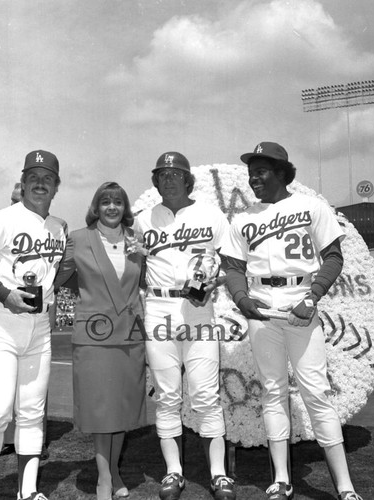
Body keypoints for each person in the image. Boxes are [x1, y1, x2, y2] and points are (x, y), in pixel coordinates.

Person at [221, 141, 363, 500]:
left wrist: (312, 297)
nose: (254, 178)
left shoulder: (311, 207)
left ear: (282, 173)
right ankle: (282, 479)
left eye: (261, 171)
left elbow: (332, 257)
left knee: (316, 392)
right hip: (262, 307)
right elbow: (234, 268)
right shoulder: (243, 218)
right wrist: (241, 299)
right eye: (251, 173)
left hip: (301, 300)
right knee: (272, 392)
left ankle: (344, 487)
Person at [0, 150, 67, 500]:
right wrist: (4, 294)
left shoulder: (58, 228)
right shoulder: (2, 218)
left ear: (56, 187)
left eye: (47, 178)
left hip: (38, 327)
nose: (40, 183)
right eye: (33, 177)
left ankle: (28, 490)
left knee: (32, 412)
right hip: (1, 321)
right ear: (22, 183)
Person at [133, 152, 236, 500]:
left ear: (188, 180)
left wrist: (214, 281)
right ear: (156, 180)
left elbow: (232, 262)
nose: (169, 179)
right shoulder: (143, 220)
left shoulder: (210, 214)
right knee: (167, 396)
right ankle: (173, 472)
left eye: (175, 174)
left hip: (198, 307)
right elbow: (132, 266)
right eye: (162, 174)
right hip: (159, 307)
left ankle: (219, 474)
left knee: (206, 395)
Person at [56, 181, 146, 500]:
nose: (111, 207)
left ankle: (115, 470)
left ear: (125, 207)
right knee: (100, 409)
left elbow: (146, 279)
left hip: (130, 336)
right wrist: (91, 297)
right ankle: (104, 478)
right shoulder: (78, 239)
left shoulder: (138, 241)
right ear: (96, 206)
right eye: (105, 201)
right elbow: (59, 276)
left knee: (120, 409)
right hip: (93, 337)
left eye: (117, 202)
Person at [2, 182, 50, 461]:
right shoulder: (4, 225)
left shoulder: (45, 229)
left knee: (34, 386)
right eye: (12, 199)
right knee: (5, 386)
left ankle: (35, 441)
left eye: (18, 198)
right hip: (6, 315)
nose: (15, 203)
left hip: (38, 312)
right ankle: (10, 439)